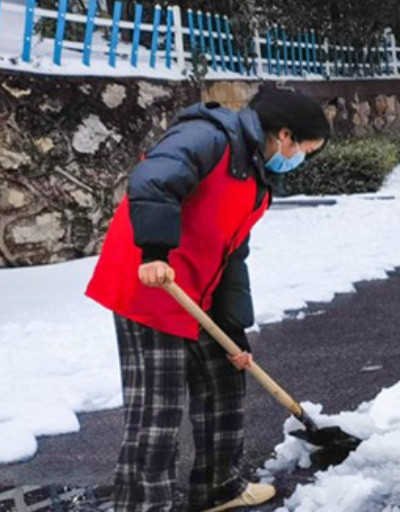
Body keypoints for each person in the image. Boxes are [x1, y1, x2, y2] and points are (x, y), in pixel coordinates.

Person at [84, 88, 330, 512]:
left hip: (197, 292)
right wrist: (156, 252)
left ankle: (220, 488)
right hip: (150, 284)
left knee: (223, 384)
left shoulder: (255, 176)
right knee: (156, 412)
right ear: (285, 135)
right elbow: (153, 180)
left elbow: (231, 254)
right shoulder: (209, 136)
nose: (301, 160)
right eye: (306, 150)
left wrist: (234, 329)